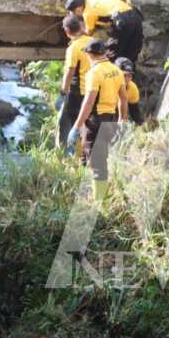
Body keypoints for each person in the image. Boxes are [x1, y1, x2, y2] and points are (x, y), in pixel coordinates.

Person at [72, 39, 128, 201]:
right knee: (100, 158)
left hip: (95, 121)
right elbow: (123, 98)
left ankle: (98, 203)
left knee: (96, 162)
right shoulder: (116, 71)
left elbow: (89, 102)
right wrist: (122, 120)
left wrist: (76, 125)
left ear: (90, 55)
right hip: (110, 118)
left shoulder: (94, 73)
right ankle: (99, 195)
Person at [65, 0, 144, 63]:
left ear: (78, 9)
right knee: (132, 53)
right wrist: (125, 6)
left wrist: (76, 38)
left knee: (112, 55)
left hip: (123, 24)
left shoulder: (88, 13)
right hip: (135, 17)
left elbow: (89, 33)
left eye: (75, 13)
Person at [58, 15, 93, 148]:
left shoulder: (73, 48)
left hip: (78, 92)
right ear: (81, 27)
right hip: (94, 90)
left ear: (67, 32)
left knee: (75, 124)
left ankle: (77, 153)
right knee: (89, 122)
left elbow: (69, 72)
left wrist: (62, 93)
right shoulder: (92, 41)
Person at [115, 57, 143, 125]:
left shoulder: (132, 88)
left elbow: (135, 112)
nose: (127, 79)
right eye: (124, 75)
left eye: (130, 75)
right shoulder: (106, 85)